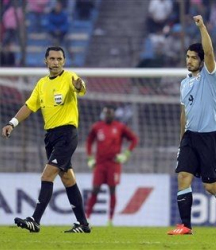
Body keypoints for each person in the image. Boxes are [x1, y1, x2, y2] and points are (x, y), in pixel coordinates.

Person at [167, 15, 216, 236]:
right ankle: (186, 226)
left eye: (193, 57)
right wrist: (182, 140)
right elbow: (184, 113)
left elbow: (209, 52)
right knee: (183, 176)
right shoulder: (184, 83)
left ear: (201, 60)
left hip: (210, 136)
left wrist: (202, 27)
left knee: (210, 186)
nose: (189, 60)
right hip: (190, 136)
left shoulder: (210, 76)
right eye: (187, 57)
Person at [1, 46, 90, 233]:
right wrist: (12, 123)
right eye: (52, 59)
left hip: (66, 134)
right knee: (67, 178)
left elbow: (81, 87)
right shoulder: (42, 84)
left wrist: (79, 86)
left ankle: (35, 220)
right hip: (50, 137)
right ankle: (83, 224)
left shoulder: (69, 77)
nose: (56, 62)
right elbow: (29, 106)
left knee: (47, 175)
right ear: (46, 61)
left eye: (59, 59)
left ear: (64, 61)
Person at [85, 106, 139, 226]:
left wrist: (126, 154)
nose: (108, 115)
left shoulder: (120, 127)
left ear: (113, 114)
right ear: (103, 114)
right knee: (95, 189)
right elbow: (89, 142)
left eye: (110, 113)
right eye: (106, 113)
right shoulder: (97, 127)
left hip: (114, 164)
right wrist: (90, 158)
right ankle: (87, 217)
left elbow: (134, 139)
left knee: (112, 190)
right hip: (100, 163)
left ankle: (110, 220)